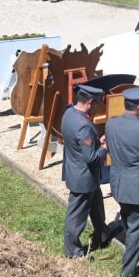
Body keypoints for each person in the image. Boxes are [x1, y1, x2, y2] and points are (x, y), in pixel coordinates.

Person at [104, 86, 139, 277]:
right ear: (138, 108)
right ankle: (127, 272)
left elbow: (111, 150)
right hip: (138, 187)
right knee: (136, 228)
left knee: (130, 223)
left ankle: (138, 256)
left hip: (119, 184)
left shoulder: (111, 125)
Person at [61, 85, 109, 258]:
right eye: (96, 103)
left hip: (77, 172)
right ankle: (72, 250)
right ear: (89, 102)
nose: (96, 106)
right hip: (83, 178)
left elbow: (78, 144)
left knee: (96, 205)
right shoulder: (84, 125)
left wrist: (96, 141)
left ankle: (103, 234)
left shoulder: (69, 114)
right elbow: (92, 158)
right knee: (76, 217)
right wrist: (104, 149)